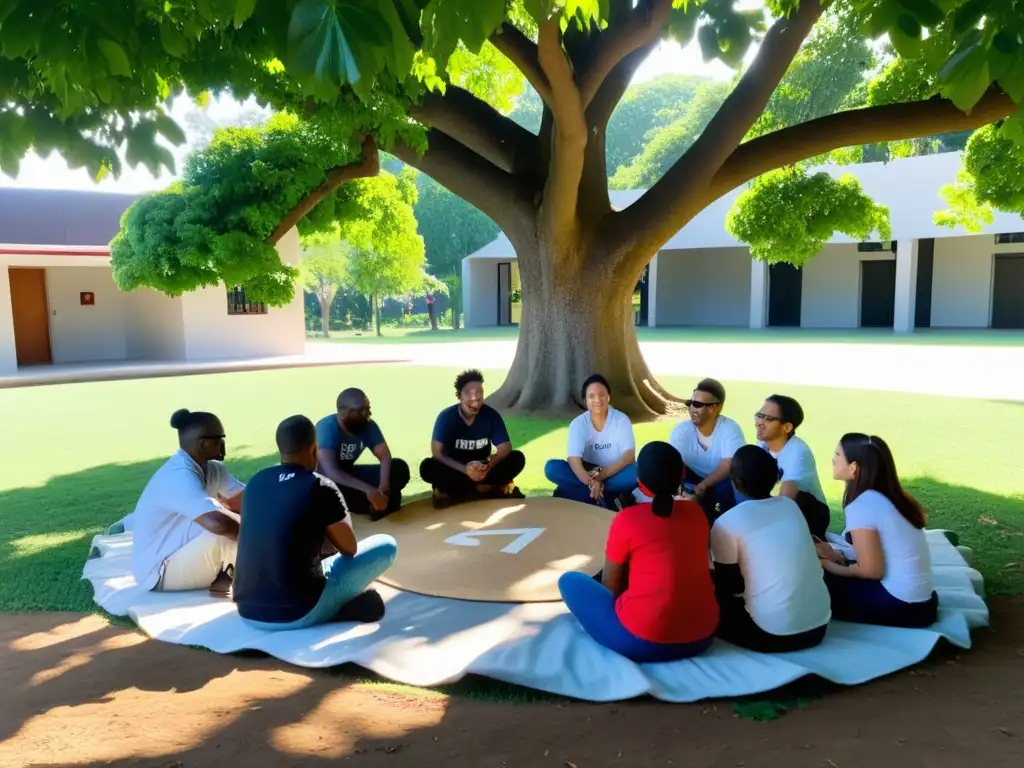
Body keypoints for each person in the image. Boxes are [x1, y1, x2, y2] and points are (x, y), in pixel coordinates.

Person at [557, 441, 718, 663]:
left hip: (643, 642)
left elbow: (610, 587)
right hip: (703, 636)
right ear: (681, 477)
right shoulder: (697, 514)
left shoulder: (627, 519)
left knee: (570, 581)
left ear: (639, 481)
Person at [233, 415, 398, 629]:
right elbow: (349, 548)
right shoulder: (320, 486)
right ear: (314, 448)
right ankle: (337, 610)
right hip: (298, 612)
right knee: (386, 545)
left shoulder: (256, 482)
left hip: (247, 613)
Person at [711, 446, 831, 653]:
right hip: (819, 627)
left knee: (706, 600)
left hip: (771, 634)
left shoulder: (727, 523)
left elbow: (730, 588)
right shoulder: (790, 507)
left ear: (737, 482)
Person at [817, 433, 938, 628]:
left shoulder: (862, 505)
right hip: (925, 603)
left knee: (815, 583)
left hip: (904, 606)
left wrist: (828, 565)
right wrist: (837, 555)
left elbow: (872, 571)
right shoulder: (889, 497)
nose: (833, 458)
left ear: (854, 468)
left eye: (838, 454)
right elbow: (876, 553)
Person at [128, 409, 244, 598]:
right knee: (227, 528)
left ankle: (228, 572)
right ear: (202, 444)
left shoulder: (212, 469)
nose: (222, 445)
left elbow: (245, 501)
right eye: (218, 440)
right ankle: (242, 575)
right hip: (158, 572)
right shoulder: (178, 475)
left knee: (236, 520)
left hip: (177, 550)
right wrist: (260, 540)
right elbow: (218, 524)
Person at [419, 369, 526, 508]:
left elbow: (505, 447)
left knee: (516, 458)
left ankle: (463, 490)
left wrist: (488, 465)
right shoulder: (446, 417)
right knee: (428, 467)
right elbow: (437, 453)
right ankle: (485, 488)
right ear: (459, 396)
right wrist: (466, 470)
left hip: (483, 468)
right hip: (456, 468)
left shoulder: (491, 416)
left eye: (479, 395)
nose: (475, 401)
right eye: (469, 395)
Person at [315, 388, 410, 520]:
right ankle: (375, 504)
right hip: (327, 481)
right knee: (332, 495)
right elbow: (331, 471)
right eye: (362, 409)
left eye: (368, 408)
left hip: (350, 473)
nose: (368, 413)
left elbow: (385, 456)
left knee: (398, 468)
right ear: (345, 413)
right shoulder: (327, 428)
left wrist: (383, 487)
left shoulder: (368, 426)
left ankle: (376, 504)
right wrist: (369, 490)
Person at [544, 374, 637, 507]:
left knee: (639, 471)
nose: (597, 399)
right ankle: (608, 499)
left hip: (616, 473)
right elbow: (574, 460)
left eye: (602, 395)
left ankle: (579, 494)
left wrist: (600, 477)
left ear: (609, 396)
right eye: (591, 396)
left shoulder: (621, 420)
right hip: (587, 474)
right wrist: (591, 482)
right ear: (585, 400)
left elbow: (629, 457)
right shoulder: (578, 424)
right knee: (551, 468)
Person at [668, 378, 747, 521]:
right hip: (692, 477)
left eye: (697, 405)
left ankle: (730, 525)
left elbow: (728, 465)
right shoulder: (681, 431)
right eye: (690, 403)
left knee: (728, 491)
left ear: (715, 408)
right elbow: (672, 463)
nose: (692, 409)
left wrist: (703, 486)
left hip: (723, 480)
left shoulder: (730, 429)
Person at [755, 395, 831, 539]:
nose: (760, 422)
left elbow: (787, 495)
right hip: (781, 507)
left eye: (768, 419)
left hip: (809, 513)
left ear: (787, 427)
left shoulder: (798, 453)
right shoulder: (763, 444)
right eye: (759, 416)